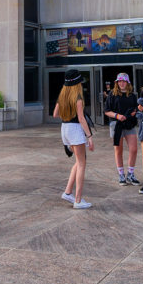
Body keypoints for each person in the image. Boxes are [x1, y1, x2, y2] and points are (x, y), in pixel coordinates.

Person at [54, 69, 94, 208]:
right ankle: (78, 200)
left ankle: (68, 192)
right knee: (82, 164)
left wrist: (67, 115)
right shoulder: (78, 98)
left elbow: (55, 114)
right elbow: (81, 118)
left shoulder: (62, 96)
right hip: (75, 129)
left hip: (64, 128)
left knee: (78, 162)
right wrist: (89, 136)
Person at [103, 73, 138, 185]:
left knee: (133, 149)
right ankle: (121, 175)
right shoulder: (112, 95)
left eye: (124, 81)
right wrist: (117, 116)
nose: (121, 83)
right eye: (119, 81)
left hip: (129, 124)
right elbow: (107, 111)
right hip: (116, 125)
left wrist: (135, 112)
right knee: (118, 150)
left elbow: (135, 108)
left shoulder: (132, 96)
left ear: (128, 83)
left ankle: (130, 174)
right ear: (117, 83)